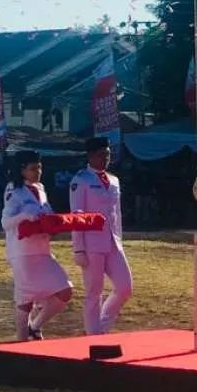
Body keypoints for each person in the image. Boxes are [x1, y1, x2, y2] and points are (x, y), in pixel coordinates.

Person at [2, 150, 73, 340]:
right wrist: (25, 217)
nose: (38, 171)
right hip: (22, 252)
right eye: (33, 168)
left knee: (65, 290)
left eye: (40, 167)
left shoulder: (40, 188)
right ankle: (21, 338)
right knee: (25, 299)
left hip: (42, 250)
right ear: (22, 170)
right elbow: (5, 222)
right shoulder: (13, 189)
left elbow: (45, 213)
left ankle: (35, 326)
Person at [69, 136, 132, 335]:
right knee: (93, 293)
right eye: (100, 155)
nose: (105, 158)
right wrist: (78, 248)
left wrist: (119, 239)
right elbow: (76, 215)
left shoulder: (114, 180)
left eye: (107, 154)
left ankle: (102, 327)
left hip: (113, 242)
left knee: (125, 287)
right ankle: (93, 336)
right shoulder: (81, 180)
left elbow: (117, 214)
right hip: (91, 244)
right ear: (89, 156)